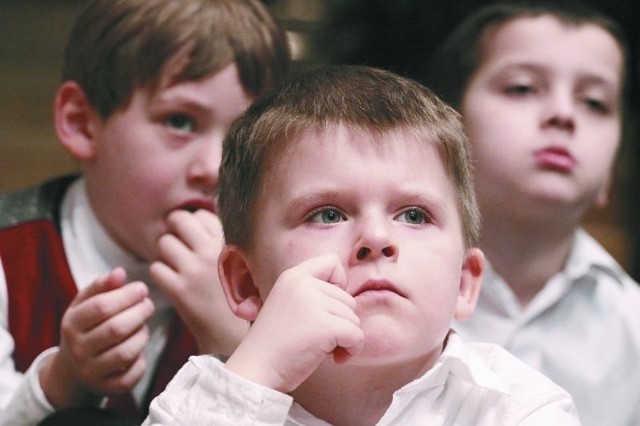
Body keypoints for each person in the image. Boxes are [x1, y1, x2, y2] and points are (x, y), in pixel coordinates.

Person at [142, 65, 580, 425]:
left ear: (465, 282)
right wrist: (258, 371)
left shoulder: (517, 408)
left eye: (414, 215)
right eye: (328, 214)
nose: (376, 238)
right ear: (245, 283)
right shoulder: (204, 404)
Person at [0, 0, 290, 425]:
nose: (214, 167)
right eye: (180, 121)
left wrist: (237, 342)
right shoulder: (12, 251)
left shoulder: (276, 269)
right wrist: (60, 382)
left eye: (242, 133)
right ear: (81, 123)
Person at [423, 1, 640, 425]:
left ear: (611, 171)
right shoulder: (374, 292)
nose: (563, 114)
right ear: (445, 131)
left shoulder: (632, 326)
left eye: (595, 103)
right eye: (522, 88)